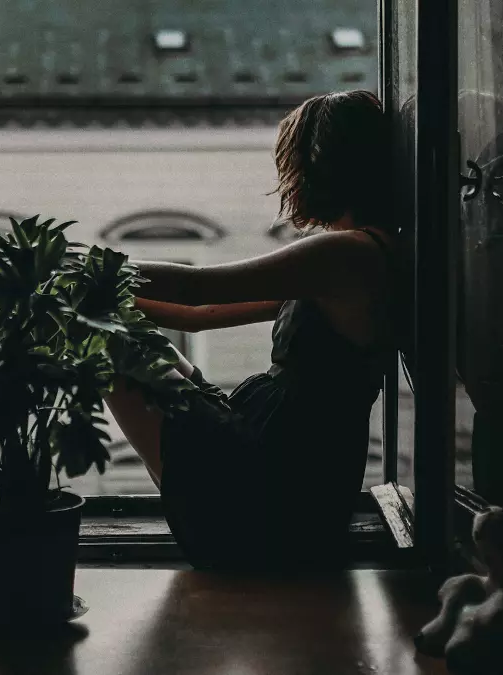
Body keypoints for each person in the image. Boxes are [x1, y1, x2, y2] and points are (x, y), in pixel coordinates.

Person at [105, 90, 412, 572]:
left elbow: (194, 287)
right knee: (126, 342)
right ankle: (203, 500)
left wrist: (90, 272)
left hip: (276, 473)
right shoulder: (368, 254)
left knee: (108, 352)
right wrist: (107, 301)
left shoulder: (344, 255)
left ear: (314, 167)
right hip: (296, 465)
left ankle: (210, 511)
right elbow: (196, 316)